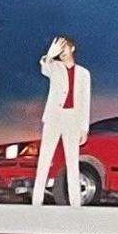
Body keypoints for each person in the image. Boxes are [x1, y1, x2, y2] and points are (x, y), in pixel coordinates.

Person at [29, 35, 93, 205]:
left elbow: (85, 101)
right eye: (59, 48)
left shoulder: (84, 73)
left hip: (72, 118)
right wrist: (49, 55)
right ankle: (36, 202)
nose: (61, 52)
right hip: (54, 117)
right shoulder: (54, 67)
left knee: (73, 163)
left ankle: (75, 204)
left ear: (72, 48)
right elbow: (44, 67)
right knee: (44, 159)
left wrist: (84, 128)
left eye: (64, 48)